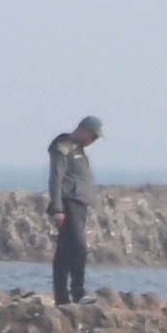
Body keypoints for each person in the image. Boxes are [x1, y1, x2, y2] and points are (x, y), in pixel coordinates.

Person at [47, 115, 103, 304]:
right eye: (93, 136)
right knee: (79, 247)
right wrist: (57, 208)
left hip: (79, 205)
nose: (93, 141)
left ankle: (62, 298)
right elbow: (56, 177)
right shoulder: (63, 146)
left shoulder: (78, 148)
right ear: (83, 130)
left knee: (64, 252)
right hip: (68, 203)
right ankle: (78, 292)